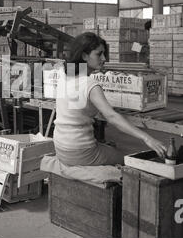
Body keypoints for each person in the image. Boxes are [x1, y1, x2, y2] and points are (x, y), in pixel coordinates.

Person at [53, 32, 167, 167]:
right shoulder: (90, 84)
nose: (103, 58)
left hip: (61, 147)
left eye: (104, 54)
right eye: (98, 54)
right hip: (80, 151)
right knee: (126, 158)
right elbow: (112, 117)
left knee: (108, 148)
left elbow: (76, 104)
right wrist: (147, 138)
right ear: (84, 55)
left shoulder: (64, 74)